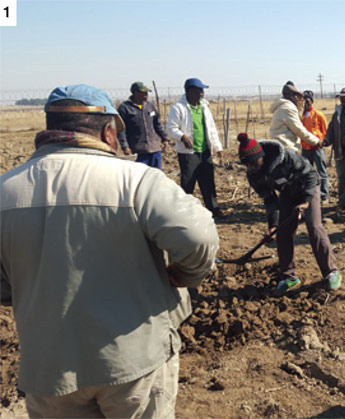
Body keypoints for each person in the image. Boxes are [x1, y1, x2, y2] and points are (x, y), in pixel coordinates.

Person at [0, 84, 219, 417]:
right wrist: (186, 274)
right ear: (108, 132)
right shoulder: (136, 180)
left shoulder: (5, 191)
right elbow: (199, 236)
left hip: (48, 366)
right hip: (132, 360)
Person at [237, 133, 341, 295]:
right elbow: (270, 201)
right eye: (247, 165)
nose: (252, 167)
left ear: (261, 156)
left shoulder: (287, 158)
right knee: (282, 233)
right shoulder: (254, 175)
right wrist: (273, 226)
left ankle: (331, 271)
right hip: (287, 193)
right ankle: (288, 276)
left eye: (253, 163)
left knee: (314, 226)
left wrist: (306, 202)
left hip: (308, 188)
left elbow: (311, 176)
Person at [166, 77, 225, 218]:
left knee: (208, 182)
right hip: (188, 152)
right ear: (189, 91)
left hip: (204, 150)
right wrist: (182, 137)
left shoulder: (204, 107)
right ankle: (184, 212)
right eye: (199, 90)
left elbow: (211, 129)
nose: (202, 93)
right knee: (188, 182)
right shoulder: (178, 107)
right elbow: (170, 128)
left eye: (202, 90)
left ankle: (213, 210)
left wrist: (218, 147)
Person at [117, 81, 170, 168]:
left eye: (146, 92)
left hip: (155, 149)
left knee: (156, 175)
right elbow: (121, 130)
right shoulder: (125, 108)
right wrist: (125, 146)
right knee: (140, 177)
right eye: (143, 93)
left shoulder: (150, 106)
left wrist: (165, 138)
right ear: (135, 93)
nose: (146, 95)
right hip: (138, 151)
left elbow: (157, 124)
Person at [268, 83, 321, 151]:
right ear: (290, 95)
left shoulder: (282, 106)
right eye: (296, 95)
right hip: (286, 147)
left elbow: (299, 116)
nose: (297, 98)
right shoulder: (288, 108)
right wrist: (316, 141)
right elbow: (298, 129)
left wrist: (300, 104)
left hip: (279, 146)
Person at [301, 89, 329, 203]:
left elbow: (325, 131)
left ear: (312, 101)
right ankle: (310, 194)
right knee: (306, 172)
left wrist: (321, 141)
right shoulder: (300, 116)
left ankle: (324, 195)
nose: (306, 103)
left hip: (317, 148)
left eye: (308, 100)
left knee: (321, 172)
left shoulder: (319, 115)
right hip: (305, 149)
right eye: (304, 101)